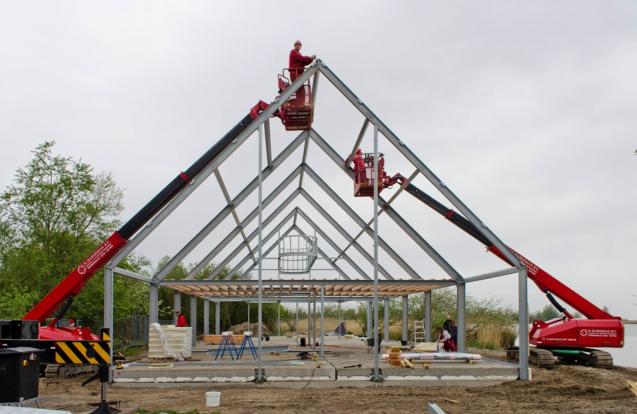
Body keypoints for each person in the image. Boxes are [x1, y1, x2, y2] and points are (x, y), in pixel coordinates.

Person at [288, 40, 316, 105]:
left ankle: (300, 103)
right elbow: (302, 59)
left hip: (298, 74)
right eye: (296, 44)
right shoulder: (293, 52)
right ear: (294, 46)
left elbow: (305, 62)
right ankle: (298, 103)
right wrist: (310, 58)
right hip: (294, 73)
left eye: (299, 45)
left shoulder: (298, 53)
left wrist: (311, 59)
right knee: (299, 89)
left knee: (301, 90)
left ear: (301, 46)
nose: (298, 46)